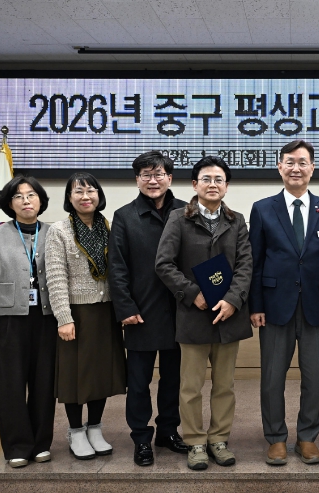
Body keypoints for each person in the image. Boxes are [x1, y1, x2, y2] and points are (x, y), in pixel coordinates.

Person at [249, 139, 319, 465]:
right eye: (289, 162)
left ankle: (307, 437)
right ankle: (276, 438)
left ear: (312, 168)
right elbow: (255, 261)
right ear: (279, 167)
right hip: (274, 305)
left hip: (316, 305)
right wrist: (255, 305)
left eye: (302, 162)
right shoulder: (263, 208)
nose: (296, 168)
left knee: (313, 376)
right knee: (272, 377)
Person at [155, 156, 253, 470]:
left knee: (225, 386)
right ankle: (196, 442)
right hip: (193, 316)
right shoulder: (178, 218)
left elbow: (245, 265)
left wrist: (233, 300)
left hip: (228, 317)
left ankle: (218, 440)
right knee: (191, 387)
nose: (213, 184)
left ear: (226, 186)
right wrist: (192, 293)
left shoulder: (237, 220)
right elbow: (164, 264)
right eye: (206, 179)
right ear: (195, 184)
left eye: (219, 179)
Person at [109, 151, 189, 466]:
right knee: (139, 383)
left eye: (158, 174)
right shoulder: (125, 216)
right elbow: (117, 267)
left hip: (181, 312)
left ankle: (168, 431)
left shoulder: (187, 210)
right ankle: (141, 438)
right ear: (137, 179)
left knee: (173, 379)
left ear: (170, 178)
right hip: (140, 313)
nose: (152, 180)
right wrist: (125, 308)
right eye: (146, 175)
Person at [0, 175, 56, 468]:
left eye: (31, 195)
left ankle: (41, 443)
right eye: (18, 196)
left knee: (44, 383)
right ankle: (17, 446)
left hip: (47, 318)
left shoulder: (54, 232)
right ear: (10, 204)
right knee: (10, 384)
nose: (26, 200)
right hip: (9, 320)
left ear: (41, 201)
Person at [45, 173, 127, 460]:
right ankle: (75, 430)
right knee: (75, 375)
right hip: (76, 314)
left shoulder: (110, 227)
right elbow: (56, 278)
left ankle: (95, 427)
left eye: (90, 190)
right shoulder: (59, 231)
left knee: (101, 373)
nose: (85, 196)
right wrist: (64, 318)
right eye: (78, 192)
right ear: (69, 198)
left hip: (107, 311)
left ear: (99, 195)